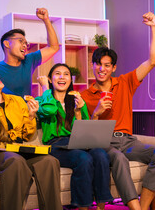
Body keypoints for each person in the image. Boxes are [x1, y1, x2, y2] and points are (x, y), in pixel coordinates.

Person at [81, 12, 155, 210]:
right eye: (98, 64)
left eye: (106, 65)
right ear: (92, 66)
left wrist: (154, 28)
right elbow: (84, 135)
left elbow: (152, 61)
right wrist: (96, 112)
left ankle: (143, 207)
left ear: (113, 68)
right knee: (119, 158)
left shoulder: (125, 82)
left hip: (128, 140)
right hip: (104, 143)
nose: (101, 69)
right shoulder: (85, 95)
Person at [0, 67, 62, 210]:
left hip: (18, 149)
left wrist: (31, 115)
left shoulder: (16, 100)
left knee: (49, 161)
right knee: (15, 161)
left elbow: (27, 135)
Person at [35, 63, 113, 210]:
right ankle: (82, 207)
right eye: (57, 74)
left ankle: (100, 207)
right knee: (83, 158)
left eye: (66, 74)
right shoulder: (42, 100)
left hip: (76, 142)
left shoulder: (78, 100)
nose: (62, 77)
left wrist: (78, 111)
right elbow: (50, 111)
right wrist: (45, 88)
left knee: (101, 154)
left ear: (70, 80)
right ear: (50, 79)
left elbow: (84, 130)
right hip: (56, 144)